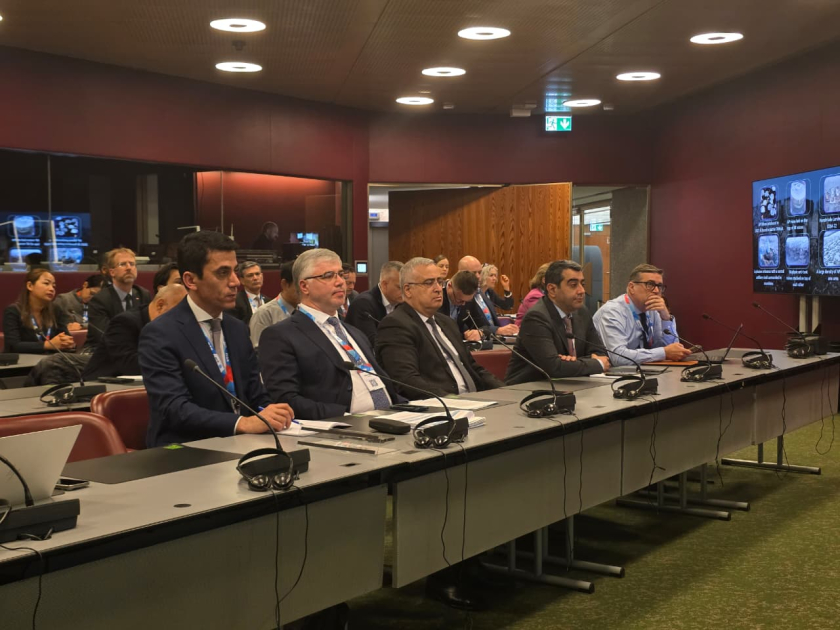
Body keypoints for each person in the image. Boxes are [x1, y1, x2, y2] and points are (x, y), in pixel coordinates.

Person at [138, 231, 294, 447]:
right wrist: (242, 423)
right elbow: (174, 408)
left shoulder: (237, 328)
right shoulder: (161, 333)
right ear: (191, 280)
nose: (235, 282)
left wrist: (272, 413)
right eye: (222, 273)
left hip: (242, 443)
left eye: (234, 271)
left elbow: (255, 394)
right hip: (186, 449)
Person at [259, 249, 401, 420]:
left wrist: (411, 408)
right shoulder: (281, 336)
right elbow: (286, 400)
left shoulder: (355, 332)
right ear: (304, 286)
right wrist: (347, 417)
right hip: (344, 424)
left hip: (392, 417)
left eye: (340, 274)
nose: (340, 282)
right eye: (328, 276)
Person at [376, 257, 504, 399]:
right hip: (443, 404)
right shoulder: (396, 325)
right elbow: (407, 381)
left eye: (439, 282)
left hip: (475, 400)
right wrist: (453, 401)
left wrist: (505, 391)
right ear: (408, 290)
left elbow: (472, 367)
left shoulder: (447, 322)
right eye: (429, 283)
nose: (438, 289)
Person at [505, 260, 610, 384]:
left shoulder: (581, 312)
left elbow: (600, 353)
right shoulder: (536, 317)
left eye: (582, 284)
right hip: (529, 388)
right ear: (552, 289)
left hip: (571, 384)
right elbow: (554, 367)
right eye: (573, 285)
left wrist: (573, 362)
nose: (581, 290)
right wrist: (595, 363)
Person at [593, 263, 691, 366]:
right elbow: (618, 358)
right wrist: (664, 353)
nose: (656, 291)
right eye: (650, 285)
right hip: (614, 373)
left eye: (659, 286)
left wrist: (666, 318)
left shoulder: (653, 311)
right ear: (631, 287)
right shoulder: (611, 312)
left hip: (645, 370)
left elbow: (672, 350)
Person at [84, 284, 187, 380]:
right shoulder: (124, 322)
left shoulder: (173, 326)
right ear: (160, 305)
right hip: (101, 385)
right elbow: (128, 364)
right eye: (179, 312)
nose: (182, 318)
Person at [86, 248, 151, 348]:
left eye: (132, 264)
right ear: (112, 272)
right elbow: (106, 335)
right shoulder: (100, 300)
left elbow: (151, 328)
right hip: (105, 351)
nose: (129, 268)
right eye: (123, 264)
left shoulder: (143, 295)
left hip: (138, 349)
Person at [3, 268, 75, 354]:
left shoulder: (55, 309)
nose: (51, 289)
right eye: (46, 283)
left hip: (51, 360)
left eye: (53, 286)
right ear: (30, 286)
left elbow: (66, 337)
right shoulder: (13, 311)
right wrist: (48, 345)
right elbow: (13, 346)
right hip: (24, 360)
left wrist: (68, 343)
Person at [345, 260, 403, 347]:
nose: (405, 291)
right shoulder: (363, 304)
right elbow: (372, 344)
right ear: (384, 285)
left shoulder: (402, 303)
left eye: (407, 286)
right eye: (399, 287)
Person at [457, 255, 519, 337]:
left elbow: (507, 306)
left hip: (494, 336)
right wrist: (497, 330)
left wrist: (506, 288)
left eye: (479, 273)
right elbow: (470, 326)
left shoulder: (487, 293)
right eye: (491, 275)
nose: (494, 278)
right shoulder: (465, 296)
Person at [249, 261, 299, 350]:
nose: (305, 289)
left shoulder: (306, 310)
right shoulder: (264, 314)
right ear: (285, 284)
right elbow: (258, 351)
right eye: (299, 285)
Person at [229, 261, 267, 325]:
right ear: (242, 280)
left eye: (257, 274)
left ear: (262, 276)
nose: (255, 278)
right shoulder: (235, 302)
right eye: (250, 275)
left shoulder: (269, 301)